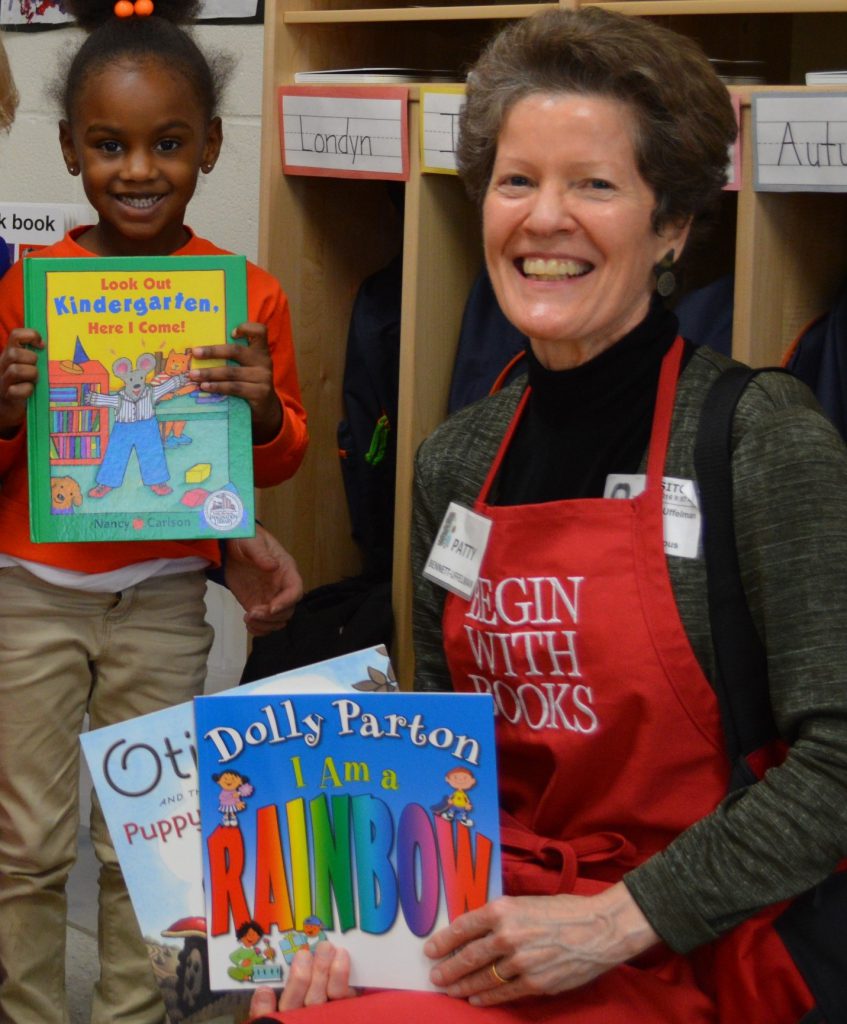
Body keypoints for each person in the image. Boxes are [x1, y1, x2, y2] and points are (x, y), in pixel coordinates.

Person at [246, 7, 847, 1024]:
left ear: (673, 224)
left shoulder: (762, 441)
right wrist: (341, 928)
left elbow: (836, 760)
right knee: (287, 999)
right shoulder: (455, 459)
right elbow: (444, 749)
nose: (543, 218)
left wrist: (613, 920)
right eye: (517, 181)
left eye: (594, 185)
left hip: (698, 936)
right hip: (500, 908)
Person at [0, 1, 309, 1022]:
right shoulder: (29, 289)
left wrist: (262, 404)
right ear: (69, 151)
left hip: (169, 601)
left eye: (167, 144)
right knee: (28, 845)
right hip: (30, 599)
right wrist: (7, 409)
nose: (138, 169)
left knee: (151, 835)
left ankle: (134, 1011)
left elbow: (280, 456)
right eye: (109, 145)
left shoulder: (247, 295)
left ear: (211, 146)